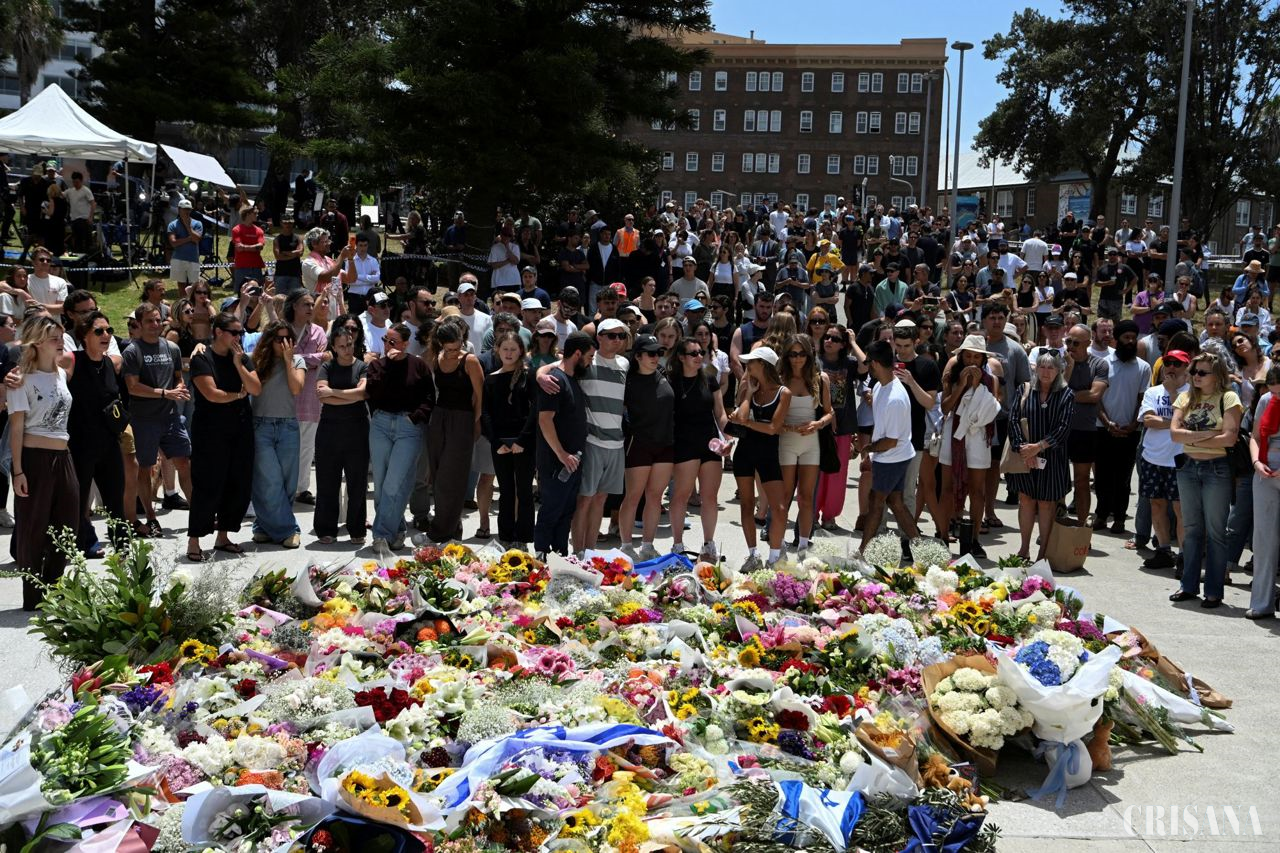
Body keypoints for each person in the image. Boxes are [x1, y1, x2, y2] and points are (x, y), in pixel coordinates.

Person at [7, 316, 77, 610]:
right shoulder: (20, 379)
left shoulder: (61, 373)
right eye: (54, 338)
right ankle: (34, 597)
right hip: (34, 458)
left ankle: (55, 588)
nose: (61, 342)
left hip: (64, 456)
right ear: (37, 342)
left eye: (61, 336)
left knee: (68, 525)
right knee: (33, 528)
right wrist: (18, 471)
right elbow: (16, 428)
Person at [1169, 351, 1242, 608]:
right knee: (1191, 529)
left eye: (1202, 372)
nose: (1195, 376)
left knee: (1215, 532)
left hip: (1217, 469)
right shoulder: (1185, 397)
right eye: (1193, 371)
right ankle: (1188, 586)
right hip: (1188, 467)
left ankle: (1213, 591)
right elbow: (1174, 434)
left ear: (1217, 375)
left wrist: (1191, 436)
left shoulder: (1229, 398)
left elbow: (1230, 438)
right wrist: (1209, 435)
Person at [185, 312, 259, 560]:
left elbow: (255, 388)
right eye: (234, 332)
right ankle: (194, 540)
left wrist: (239, 365)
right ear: (218, 332)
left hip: (240, 428)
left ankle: (223, 536)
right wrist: (238, 395)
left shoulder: (241, 358)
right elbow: (212, 394)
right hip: (210, 431)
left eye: (241, 333)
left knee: (238, 483)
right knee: (208, 484)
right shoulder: (202, 358)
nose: (239, 337)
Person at [122, 303, 193, 536]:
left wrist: (179, 388)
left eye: (157, 320)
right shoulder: (132, 351)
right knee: (145, 468)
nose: (155, 325)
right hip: (144, 419)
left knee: (184, 462)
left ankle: (197, 513)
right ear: (139, 324)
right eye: (149, 321)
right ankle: (151, 517)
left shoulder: (171, 348)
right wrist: (164, 393)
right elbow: (133, 387)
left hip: (171, 416)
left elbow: (178, 377)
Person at [63, 311, 125, 559]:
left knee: (115, 499)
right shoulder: (72, 360)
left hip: (108, 442)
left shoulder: (109, 363)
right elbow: (41, 365)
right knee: (78, 502)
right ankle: (76, 547)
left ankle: (123, 547)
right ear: (84, 335)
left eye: (109, 330)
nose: (106, 335)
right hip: (80, 444)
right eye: (99, 331)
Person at [366, 324, 433, 552]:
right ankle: (397, 530)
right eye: (385, 340)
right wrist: (389, 367)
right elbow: (373, 393)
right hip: (381, 423)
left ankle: (381, 535)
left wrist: (415, 418)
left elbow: (429, 397)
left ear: (405, 344)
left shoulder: (418, 365)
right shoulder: (377, 365)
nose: (388, 345)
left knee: (395, 482)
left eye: (393, 342)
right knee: (381, 484)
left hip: (408, 426)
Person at [938, 335, 1003, 557]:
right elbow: (945, 408)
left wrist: (976, 387)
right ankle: (943, 535)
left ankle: (973, 539)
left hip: (978, 434)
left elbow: (993, 409)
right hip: (953, 433)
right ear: (962, 357)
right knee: (947, 488)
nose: (972, 361)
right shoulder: (950, 377)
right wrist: (961, 387)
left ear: (983, 359)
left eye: (977, 357)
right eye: (968, 356)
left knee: (977, 490)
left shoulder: (991, 380)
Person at [1009, 351, 1074, 562]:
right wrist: (1023, 449)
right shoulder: (1024, 389)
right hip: (1025, 456)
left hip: (1052, 458)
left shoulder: (1066, 394)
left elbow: (1064, 427)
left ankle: (1042, 553)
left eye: (1051, 367)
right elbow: (1013, 419)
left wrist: (1038, 447)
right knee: (1026, 500)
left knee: (1046, 503)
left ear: (1059, 370)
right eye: (1042, 367)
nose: (1046, 372)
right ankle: (1024, 549)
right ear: (1035, 368)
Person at [729, 347, 790, 569]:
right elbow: (741, 417)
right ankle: (753, 555)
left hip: (768, 454)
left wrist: (746, 422)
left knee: (779, 507)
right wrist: (748, 394)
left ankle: (774, 557)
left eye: (751, 362)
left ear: (763, 364)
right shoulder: (749, 388)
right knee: (746, 504)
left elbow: (773, 428)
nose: (747, 366)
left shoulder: (783, 393)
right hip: (745, 452)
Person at [535, 332, 594, 557]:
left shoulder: (571, 379)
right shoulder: (555, 381)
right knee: (551, 509)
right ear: (577, 354)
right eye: (589, 356)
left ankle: (560, 553)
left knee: (566, 510)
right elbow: (545, 419)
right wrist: (561, 454)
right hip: (556, 461)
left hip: (573, 461)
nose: (590, 362)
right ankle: (541, 554)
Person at [860, 339, 921, 551]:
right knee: (895, 502)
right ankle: (922, 549)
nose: (867, 367)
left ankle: (863, 551)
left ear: (875, 363)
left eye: (868, 363)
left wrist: (868, 448)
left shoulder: (895, 398)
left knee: (876, 502)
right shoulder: (879, 387)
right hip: (892, 456)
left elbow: (890, 441)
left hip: (892, 458)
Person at [426, 321, 484, 542]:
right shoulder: (437, 358)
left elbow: (479, 396)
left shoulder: (470, 360)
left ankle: (441, 530)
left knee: (452, 476)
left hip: (462, 420)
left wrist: (476, 423)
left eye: (457, 346)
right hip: (439, 417)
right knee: (437, 473)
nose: (453, 351)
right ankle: (450, 527)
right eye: (449, 348)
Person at [249, 321, 305, 549]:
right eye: (278, 339)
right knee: (268, 480)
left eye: (287, 338)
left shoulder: (297, 361)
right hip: (261, 425)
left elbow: (296, 388)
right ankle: (288, 530)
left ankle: (263, 526)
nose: (283, 343)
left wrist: (288, 360)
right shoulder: (257, 361)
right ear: (269, 340)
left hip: (288, 426)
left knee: (288, 482)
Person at [617, 335, 674, 560]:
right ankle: (626, 546)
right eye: (650, 353)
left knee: (655, 497)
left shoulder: (665, 375)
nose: (655, 357)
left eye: (658, 353)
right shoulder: (628, 381)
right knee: (633, 496)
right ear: (638, 356)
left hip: (665, 444)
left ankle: (647, 545)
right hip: (639, 443)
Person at [1094, 320, 1152, 533]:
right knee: (1102, 476)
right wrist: (1107, 422)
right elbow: (1096, 398)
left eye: (1133, 338)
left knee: (1123, 477)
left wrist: (1133, 424)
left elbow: (1142, 399)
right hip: (1103, 429)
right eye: (1126, 337)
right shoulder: (1102, 364)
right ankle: (1101, 515)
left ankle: (1119, 518)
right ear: (1117, 339)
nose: (1130, 341)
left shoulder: (1143, 367)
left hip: (1130, 431)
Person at [314, 324, 369, 545]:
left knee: (357, 482)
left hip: (357, 430)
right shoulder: (327, 367)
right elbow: (322, 396)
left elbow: (363, 393)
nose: (347, 349)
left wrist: (334, 392)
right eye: (342, 346)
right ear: (334, 348)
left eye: (350, 344)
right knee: (327, 481)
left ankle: (357, 528)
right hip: (329, 430)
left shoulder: (362, 367)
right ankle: (326, 528)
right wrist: (349, 396)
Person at [778, 334, 833, 555]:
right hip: (786, 441)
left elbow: (829, 412)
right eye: (793, 354)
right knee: (784, 496)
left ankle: (803, 545)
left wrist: (817, 423)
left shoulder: (820, 379)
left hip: (811, 443)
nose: (797, 358)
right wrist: (785, 426)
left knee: (807, 497)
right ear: (786, 356)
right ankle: (778, 544)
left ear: (809, 355)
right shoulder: (780, 379)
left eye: (802, 353)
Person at [1137, 350, 1191, 571]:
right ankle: (1164, 550)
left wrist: (1172, 392)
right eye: (1168, 363)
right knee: (1156, 505)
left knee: (1181, 509)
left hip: (1180, 459)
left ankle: (1185, 556)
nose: (1171, 367)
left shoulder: (1192, 393)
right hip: (1153, 458)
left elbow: (1189, 421)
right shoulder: (1153, 391)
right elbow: (1148, 420)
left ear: (1186, 368)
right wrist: (1175, 423)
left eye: (1177, 364)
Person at [483, 331, 536, 547]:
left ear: (521, 351)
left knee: (524, 490)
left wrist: (522, 441)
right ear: (497, 350)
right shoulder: (491, 379)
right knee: (506, 490)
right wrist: (496, 442)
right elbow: (486, 413)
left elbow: (535, 411)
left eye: (513, 349)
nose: (509, 353)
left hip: (523, 442)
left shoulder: (528, 375)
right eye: (505, 348)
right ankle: (505, 537)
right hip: (500, 442)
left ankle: (523, 538)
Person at [815, 324, 861, 529]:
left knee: (837, 474)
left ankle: (829, 515)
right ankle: (812, 512)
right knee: (816, 472)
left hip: (843, 426)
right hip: (818, 425)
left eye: (835, 339)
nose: (829, 341)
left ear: (842, 344)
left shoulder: (849, 363)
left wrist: (853, 342)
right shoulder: (815, 361)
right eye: (827, 337)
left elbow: (865, 365)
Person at [1062, 324, 1109, 524]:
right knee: (1057, 481)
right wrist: (1069, 367)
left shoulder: (1099, 365)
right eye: (1068, 341)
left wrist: (1065, 395)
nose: (1071, 346)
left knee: (1081, 481)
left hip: (1084, 430)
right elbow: (1051, 392)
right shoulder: (1059, 361)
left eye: (1076, 343)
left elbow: (1095, 395)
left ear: (1088, 343)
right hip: (1059, 429)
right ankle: (1056, 525)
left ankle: (1081, 526)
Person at [1246, 366, 1280, 618]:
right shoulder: (1266, 400)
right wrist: (1256, 461)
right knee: (1263, 539)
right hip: (1265, 474)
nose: (1276, 397)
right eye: (1273, 392)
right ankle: (1261, 602)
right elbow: (1255, 436)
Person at [167, 199, 204, 287]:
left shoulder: (198, 224)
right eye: (184, 209)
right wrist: (189, 239)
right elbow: (173, 243)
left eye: (188, 209)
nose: (187, 211)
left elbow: (196, 240)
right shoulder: (172, 225)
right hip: (178, 259)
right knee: (181, 285)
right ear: (179, 209)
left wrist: (188, 226)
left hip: (193, 259)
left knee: (194, 286)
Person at [231, 207, 267, 290]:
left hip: (256, 267)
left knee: (257, 292)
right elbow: (238, 248)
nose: (257, 215)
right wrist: (254, 247)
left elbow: (260, 247)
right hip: (241, 267)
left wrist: (244, 247)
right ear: (247, 214)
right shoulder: (236, 229)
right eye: (255, 213)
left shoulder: (259, 230)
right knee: (241, 292)